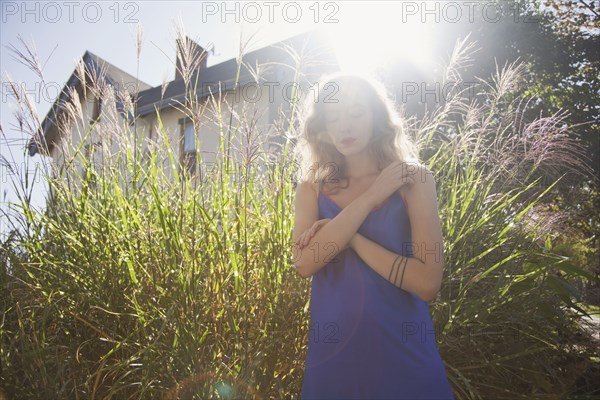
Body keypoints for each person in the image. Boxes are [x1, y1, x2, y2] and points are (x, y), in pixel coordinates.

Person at [292, 72, 455, 399]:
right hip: (333, 359)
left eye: (356, 113)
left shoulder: (413, 179)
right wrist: (370, 199)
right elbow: (305, 263)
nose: (345, 126)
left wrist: (348, 236)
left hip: (406, 356)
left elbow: (426, 283)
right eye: (334, 117)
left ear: (376, 116)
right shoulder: (311, 187)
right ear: (323, 128)